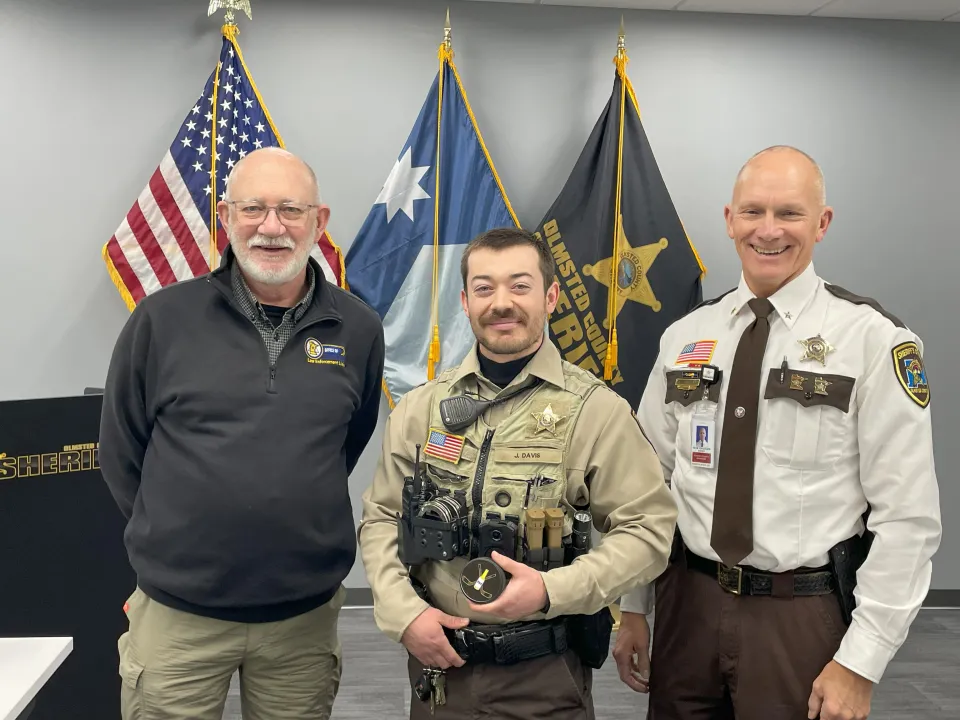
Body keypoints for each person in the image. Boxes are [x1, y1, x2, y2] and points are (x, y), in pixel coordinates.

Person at [613, 146, 942, 720]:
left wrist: (863, 661)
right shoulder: (687, 336)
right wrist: (634, 606)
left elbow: (908, 518)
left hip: (799, 616)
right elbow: (648, 486)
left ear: (822, 222)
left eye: (789, 213)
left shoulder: (872, 339)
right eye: (753, 212)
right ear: (729, 219)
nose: (768, 231)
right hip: (686, 605)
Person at [99, 147, 385, 720]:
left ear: (319, 222)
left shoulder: (357, 327)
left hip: (301, 622)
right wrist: (181, 534)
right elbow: (121, 450)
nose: (271, 227)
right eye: (253, 209)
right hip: (180, 616)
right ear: (226, 217)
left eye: (289, 210)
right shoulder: (160, 321)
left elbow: (342, 444)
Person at [357, 227, 678, 719]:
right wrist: (405, 614)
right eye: (484, 288)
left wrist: (554, 589)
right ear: (464, 301)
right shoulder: (422, 409)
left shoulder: (595, 412)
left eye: (520, 285)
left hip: (544, 677)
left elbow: (650, 531)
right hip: (439, 667)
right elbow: (381, 517)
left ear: (550, 296)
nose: (501, 302)